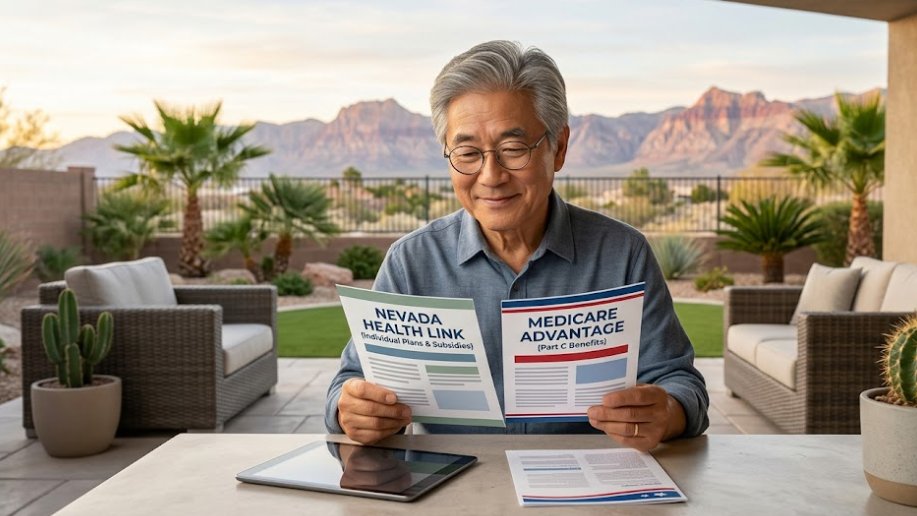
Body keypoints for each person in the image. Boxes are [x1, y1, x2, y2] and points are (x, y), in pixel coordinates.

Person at [325, 40, 709, 452]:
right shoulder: (412, 261)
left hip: (589, 490)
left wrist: (666, 412)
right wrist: (355, 410)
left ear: (558, 148)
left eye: (512, 149)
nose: (490, 176)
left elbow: (683, 385)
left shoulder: (623, 253)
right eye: (468, 153)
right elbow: (347, 387)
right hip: (453, 488)